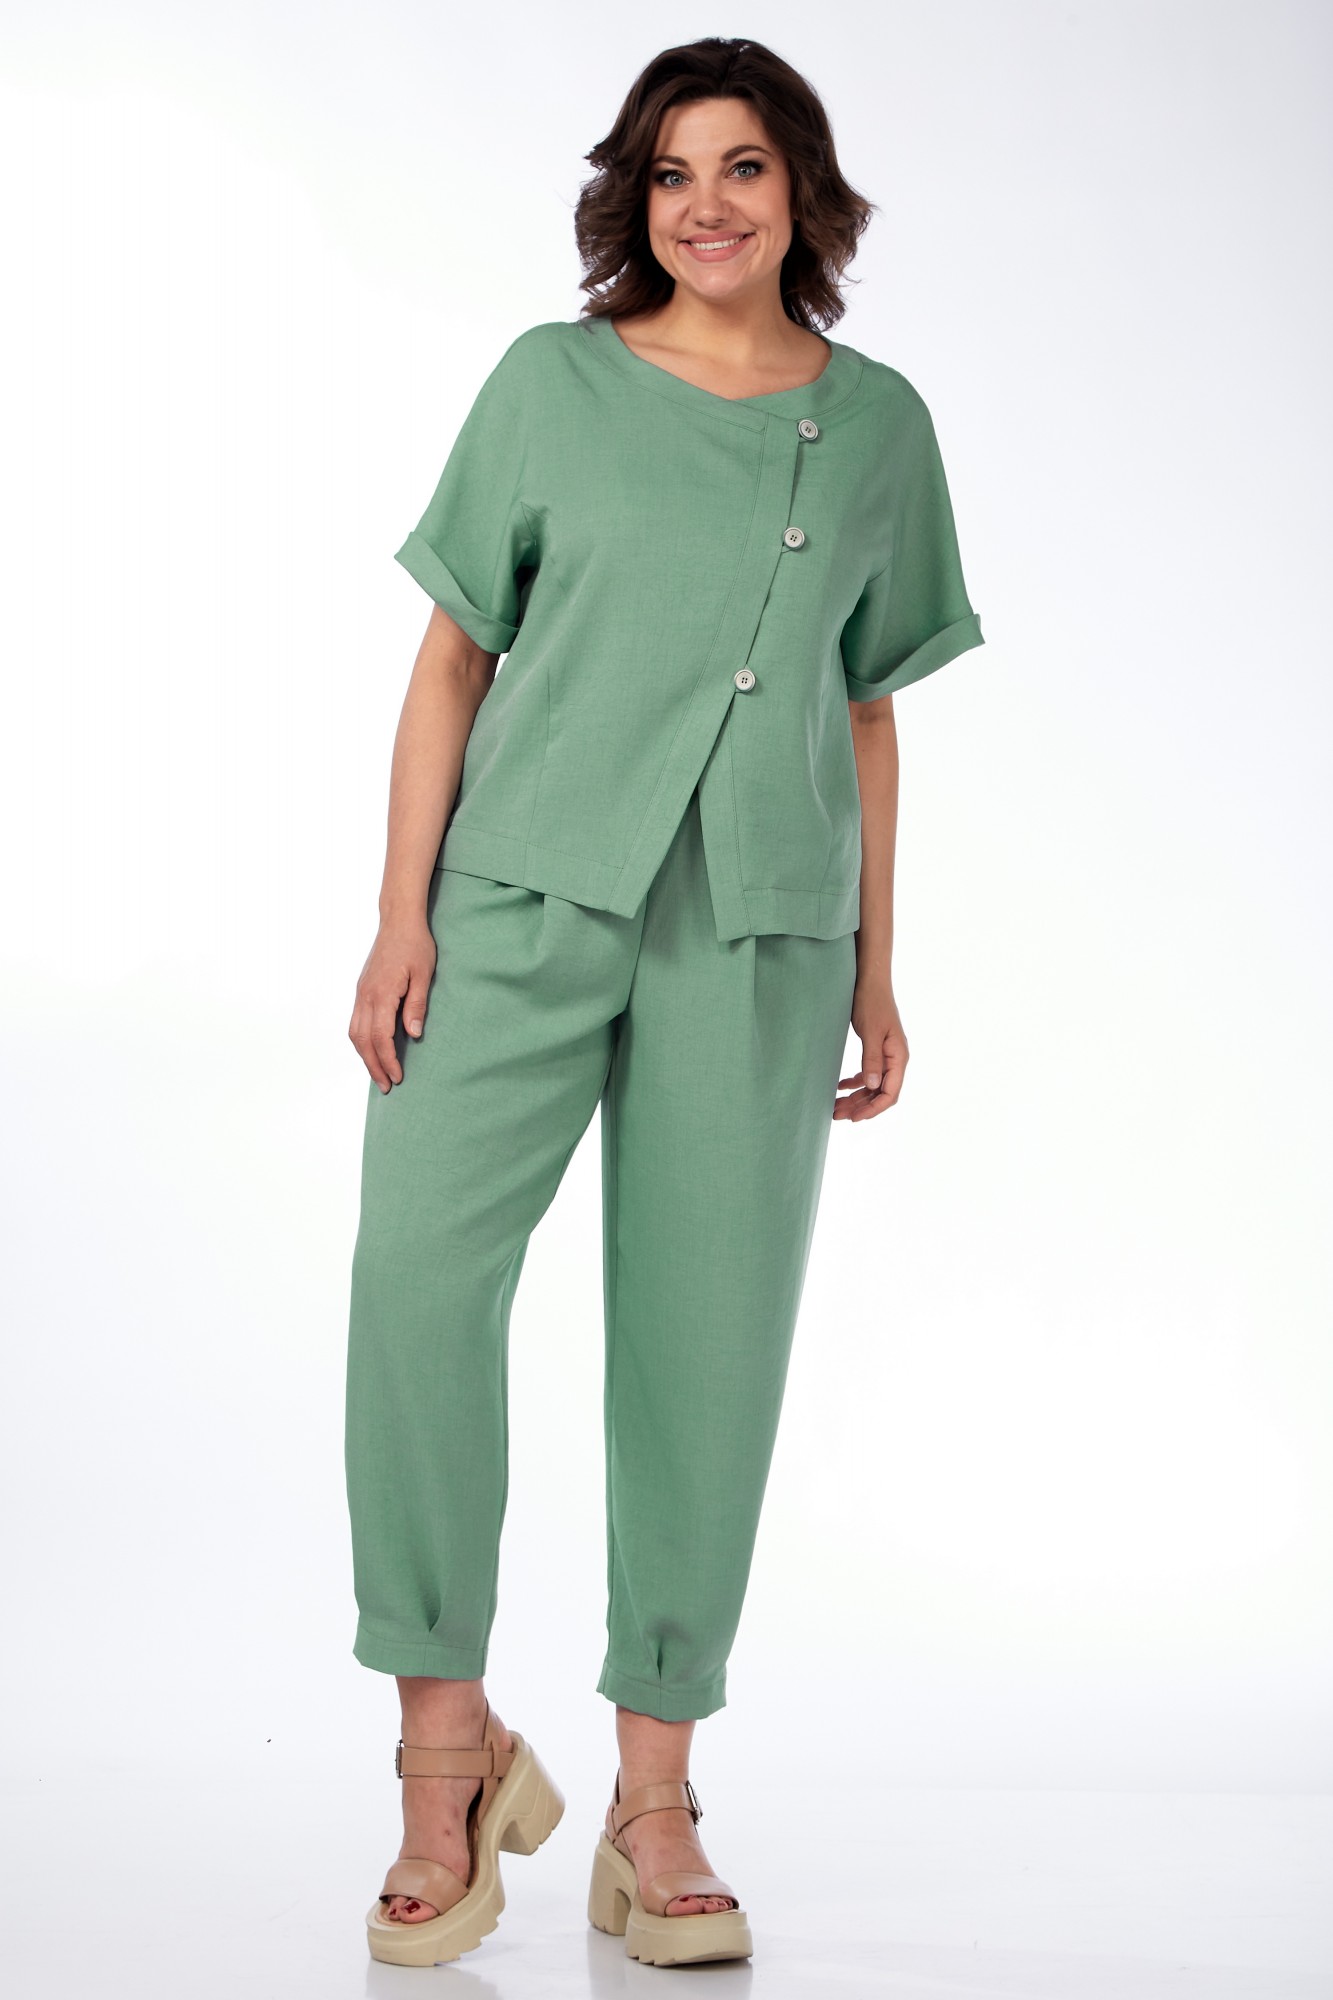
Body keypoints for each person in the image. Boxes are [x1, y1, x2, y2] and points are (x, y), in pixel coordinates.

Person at [343, 34, 986, 1971]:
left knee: (706, 1346)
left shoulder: (877, 427)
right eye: (670, 171)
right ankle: (445, 1756)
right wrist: (398, 915)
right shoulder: (548, 385)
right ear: (634, 198)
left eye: (744, 166)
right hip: (516, 897)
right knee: (417, 1286)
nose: (705, 203)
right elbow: (452, 658)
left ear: (803, 193)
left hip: (760, 929)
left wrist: (877, 960)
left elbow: (866, 709)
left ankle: (652, 1800)